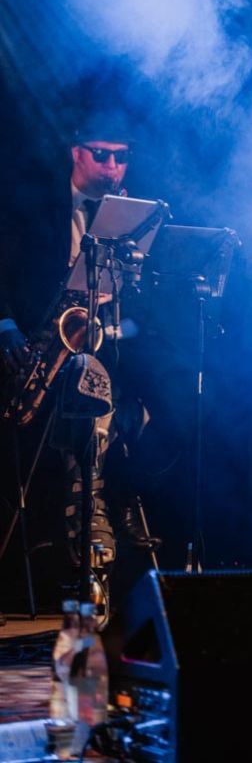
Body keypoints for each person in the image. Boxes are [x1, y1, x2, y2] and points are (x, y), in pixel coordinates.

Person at [0, 96, 160, 577]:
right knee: (86, 383)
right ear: (76, 153)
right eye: (101, 155)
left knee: (171, 396)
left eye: (121, 157)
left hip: (107, 336)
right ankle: (89, 514)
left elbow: (143, 298)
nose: (113, 167)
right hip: (38, 339)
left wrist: (130, 274)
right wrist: (5, 325)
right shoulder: (32, 203)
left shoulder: (131, 215)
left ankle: (111, 496)